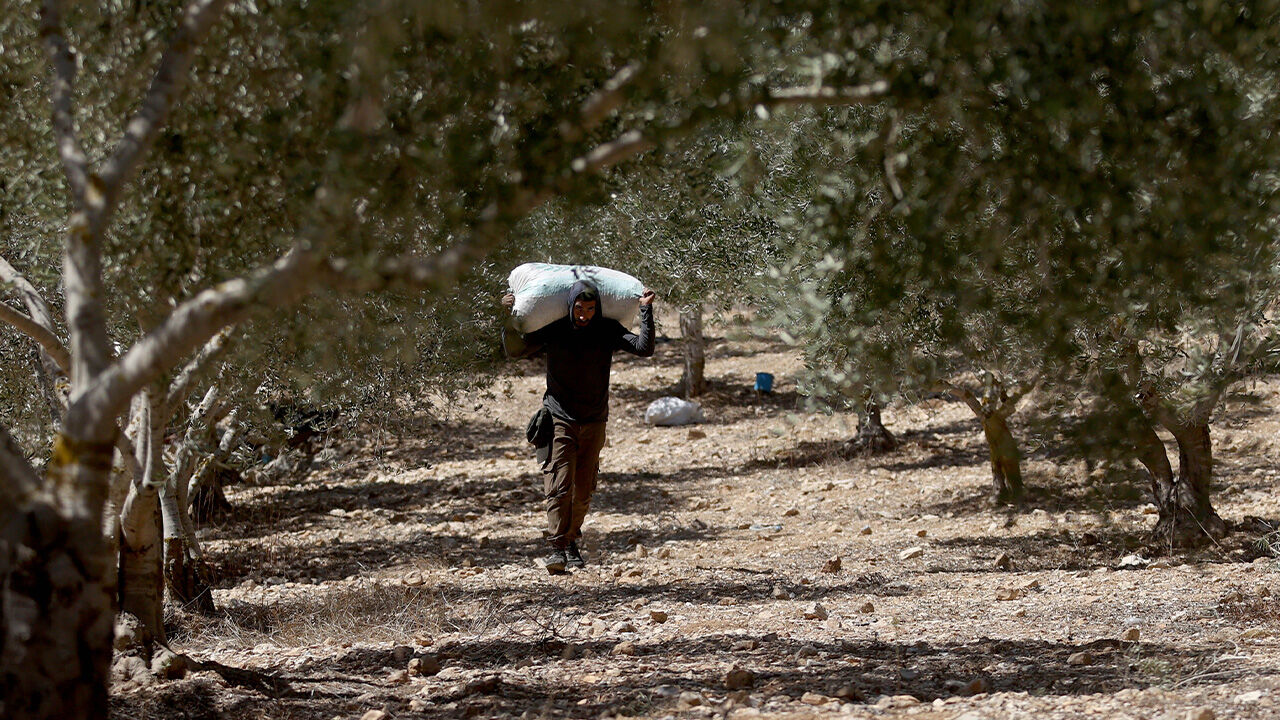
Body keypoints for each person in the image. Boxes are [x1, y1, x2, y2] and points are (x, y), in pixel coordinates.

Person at [502, 280, 656, 572]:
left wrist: (646, 311)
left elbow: (643, 348)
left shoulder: (607, 330)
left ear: (597, 308)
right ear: (569, 306)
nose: (583, 314)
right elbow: (515, 350)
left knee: (583, 490)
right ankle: (557, 547)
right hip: (559, 418)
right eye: (578, 307)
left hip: (594, 420)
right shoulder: (555, 330)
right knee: (559, 485)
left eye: (589, 308)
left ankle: (571, 539)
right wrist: (508, 318)